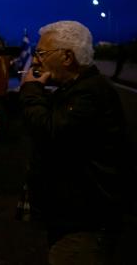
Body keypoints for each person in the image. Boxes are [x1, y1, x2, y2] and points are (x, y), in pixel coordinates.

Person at [19, 20, 132, 265]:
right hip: (73, 216)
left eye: (41, 53)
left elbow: (49, 130)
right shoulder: (74, 89)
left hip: (85, 222)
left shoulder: (89, 94)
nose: (36, 60)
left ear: (67, 57)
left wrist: (31, 91)